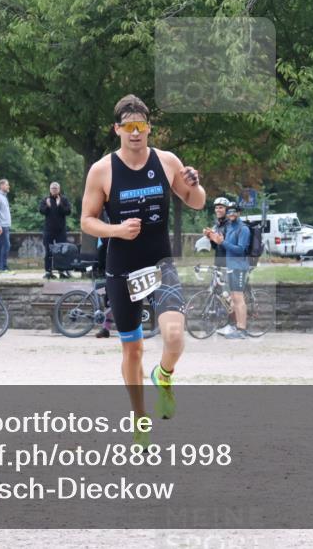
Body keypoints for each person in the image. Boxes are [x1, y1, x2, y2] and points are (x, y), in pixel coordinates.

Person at [80, 94, 205, 441]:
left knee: (175, 335)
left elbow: (195, 202)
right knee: (132, 347)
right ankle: (139, 418)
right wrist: (116, 230)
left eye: (142, 126)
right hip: (122, 267)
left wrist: (196, 186)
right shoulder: (102, 170)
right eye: (129, 127)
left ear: (149, 128)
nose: (136, 133)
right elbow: (87, 221)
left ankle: (164, 374)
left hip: (159, 262)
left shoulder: (166, 162)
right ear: (117, 129)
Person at [207, 204, 251, 339]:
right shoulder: (231, 227)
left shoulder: (243, 229)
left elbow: (240, 249)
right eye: (230, 212)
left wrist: (223, 242)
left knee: (239, 299)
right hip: (231, 266)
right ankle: (237, 327)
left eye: (234, 212)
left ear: (239, 213)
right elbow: (222, 244)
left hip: (239, 267)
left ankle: (242, 330)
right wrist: (212, 237)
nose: (231, 214)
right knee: (234, 298)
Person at [40, 181, 72, 279]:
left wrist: (59, 205)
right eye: (52, 188)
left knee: (62, 251)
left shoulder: (64, 199)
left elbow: (68, 211)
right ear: (50, 189)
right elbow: (41, 211)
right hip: (49, 230)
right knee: (48, 251)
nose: (54, 190)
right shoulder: (46, 199)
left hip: (60, 230)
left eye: (56, 188)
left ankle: (62, 271)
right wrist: (48, 206)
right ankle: (48, 271)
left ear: (59, 189)